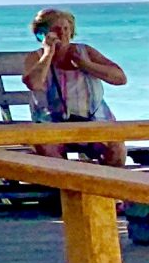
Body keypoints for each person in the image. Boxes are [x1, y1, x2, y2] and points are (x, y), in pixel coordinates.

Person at [24, 9, 127, 162]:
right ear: (43, 33)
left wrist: (86, 65)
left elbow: (120, 78)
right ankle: (68, 184)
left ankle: (103, 184)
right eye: (56, 29)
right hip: (52, 123)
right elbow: (34, 83)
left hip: (94, 120)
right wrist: (48, 53)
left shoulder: (85, 52)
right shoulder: (36, 57)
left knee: (117, 150)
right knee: (48, 151)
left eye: (66, 28)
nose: (63, 33)